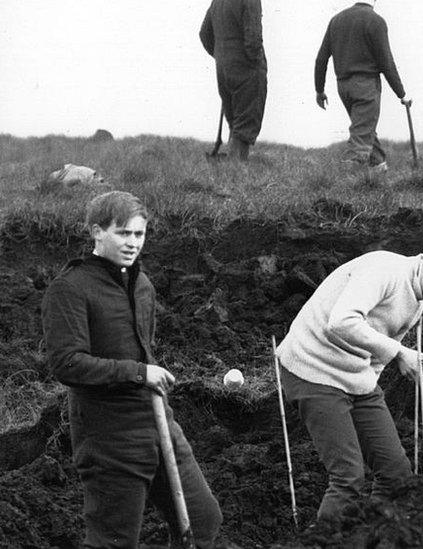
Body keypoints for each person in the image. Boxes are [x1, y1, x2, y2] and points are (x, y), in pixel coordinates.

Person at [42, 191, 223, 547]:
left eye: (139, 234)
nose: (133, 243)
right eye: (123, 233)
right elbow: (67, 364)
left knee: (202, 522)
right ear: (96, 231)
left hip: (159, 425)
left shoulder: (142, 285)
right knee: (114, 541)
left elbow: (145, 347)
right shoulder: (70, 289)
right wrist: (138, 373)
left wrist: (146, 375)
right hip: (109, 437)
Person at [275, 241, 423, 522]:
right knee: (348, 478)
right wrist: (399, 352)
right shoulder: (384, 272)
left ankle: (370, 536)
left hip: (356, 376)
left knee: (395, 475)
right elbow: (341, 322)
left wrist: (396, 360)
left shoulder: (418, 296)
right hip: (314, 370)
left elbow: (376, 342)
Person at [314, 0, 411, 175]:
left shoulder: (336, 19)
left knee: (364, 128)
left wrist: (319, 90)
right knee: (360, 138)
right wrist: (401, 94)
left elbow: (321, 59)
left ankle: (379, 167)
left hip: (343, 86)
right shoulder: (376, 21)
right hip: (365, 86)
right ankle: (346, 187)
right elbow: (386, 63)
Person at [199, 0, 268, 161]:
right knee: (245, 121)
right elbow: (254, 37)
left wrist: (222, 56)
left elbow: (204, 34)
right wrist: (255, 61)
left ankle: (231, 169)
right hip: (246, 67)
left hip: (223, 68)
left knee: (236, 120)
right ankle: (235, 171)